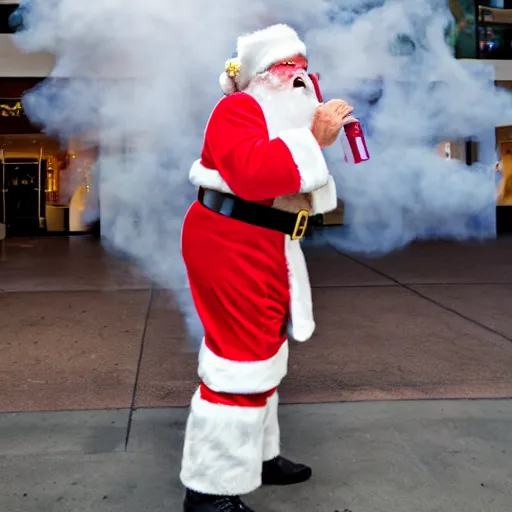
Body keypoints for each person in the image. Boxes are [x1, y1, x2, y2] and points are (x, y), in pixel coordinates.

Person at [180, 24, 355, 512]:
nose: (300, 75)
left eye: (303, 66)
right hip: (230, 238)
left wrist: (312, 138)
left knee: (265, 347)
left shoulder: (277, 117)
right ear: (261, 74)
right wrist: (314, 141)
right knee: (240, 357)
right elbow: (252, 175)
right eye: (287, 66)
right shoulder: (237, 108)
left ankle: (258, 455)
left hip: (266, 239)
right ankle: (209, 491)